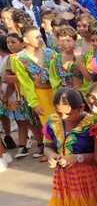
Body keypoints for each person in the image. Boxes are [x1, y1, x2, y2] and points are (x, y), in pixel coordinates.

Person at [11, 26, 56, 160]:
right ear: (25, 39)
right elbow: (26, 83)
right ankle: (52, 152)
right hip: (40, 95)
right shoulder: (19, 59)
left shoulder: (51, 53)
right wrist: (34, 103)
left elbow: (56, 75)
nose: (39, 39)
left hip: (56, 92)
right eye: (35, 36)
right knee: (49, 124)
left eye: (40, 36)